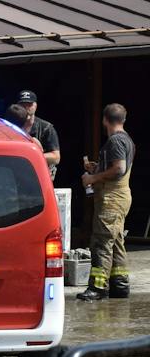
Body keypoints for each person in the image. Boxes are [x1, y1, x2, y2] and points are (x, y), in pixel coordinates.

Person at [79, 103, 135, 300]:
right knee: (116, 241)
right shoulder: (126, 140)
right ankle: (120, 286)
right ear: (123, 119)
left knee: (101, 242)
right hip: (120, 198)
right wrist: (98, 168)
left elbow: (118, 169)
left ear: (105, 120)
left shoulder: (115, 142)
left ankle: (97, 288)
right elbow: (116, 168)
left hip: (111, 200)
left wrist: (92, 179)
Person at [13, 90, 60, 180]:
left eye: (29, 104)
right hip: (15, 174)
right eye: (23, 105)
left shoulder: (46, 128)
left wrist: (30, 155)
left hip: (39, 176)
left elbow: (56, 157)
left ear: (36, 105)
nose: (26, 107)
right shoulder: (11, 126)